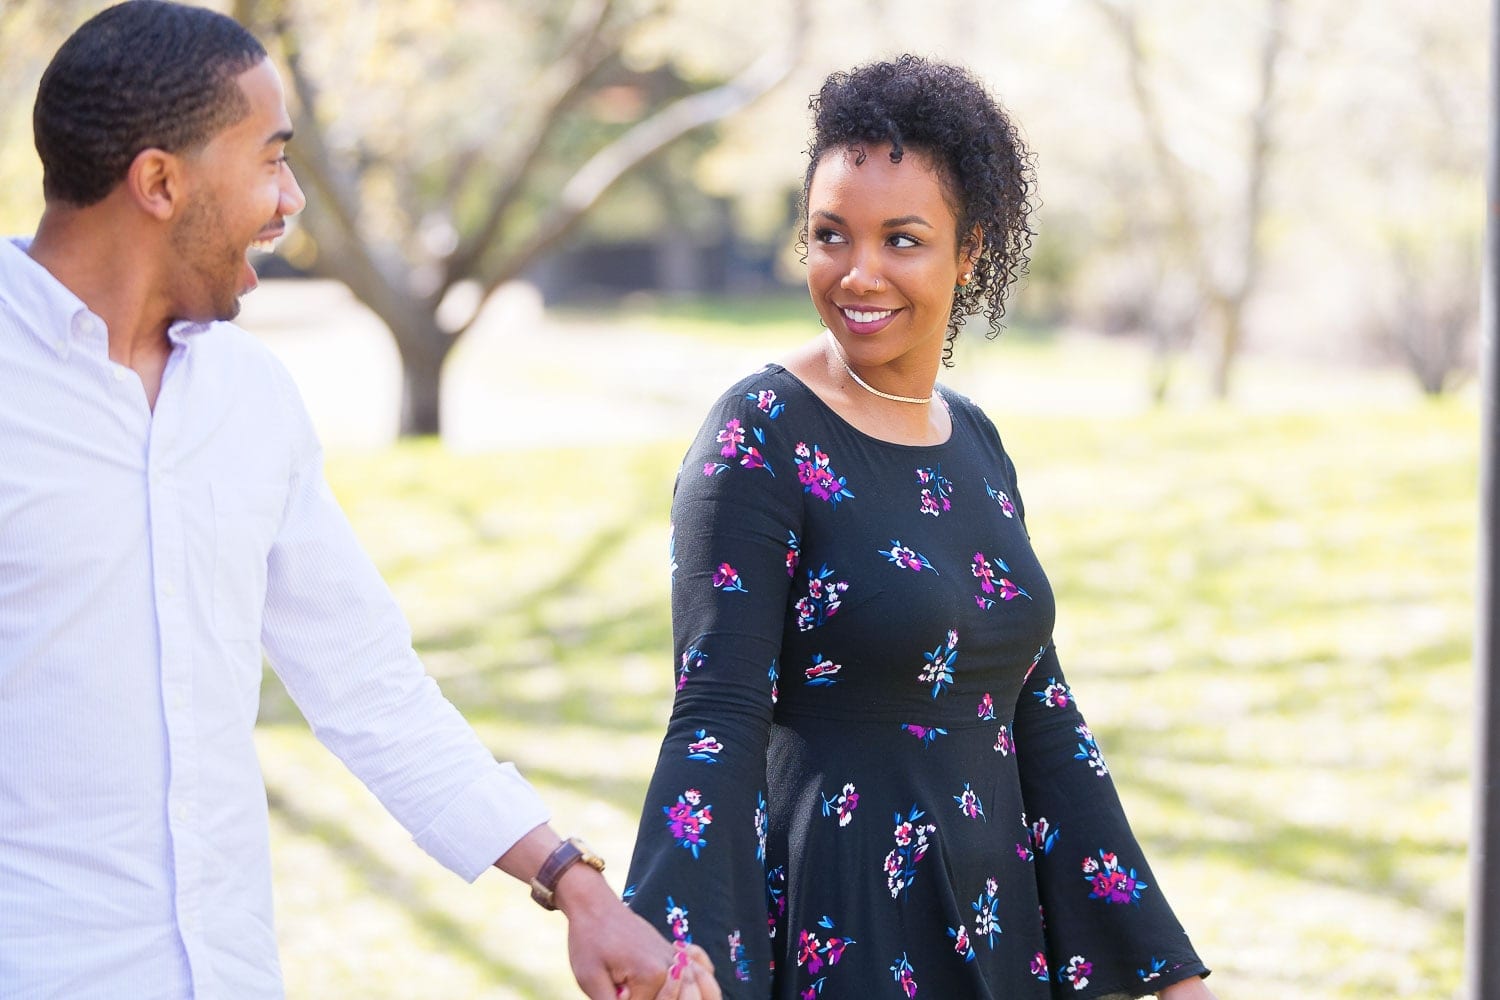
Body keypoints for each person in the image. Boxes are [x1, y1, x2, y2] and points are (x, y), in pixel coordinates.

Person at [0, 3, 718, 999]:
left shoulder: (249, 402)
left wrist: (575, 885)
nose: (290, 199)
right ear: (161, 182)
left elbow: (367, 685)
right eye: (270, 159)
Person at [623, 55, 1218, 999]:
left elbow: (1039, 711)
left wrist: (1162, 969)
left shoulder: (973, 437)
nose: (858, 273)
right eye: (829, 235)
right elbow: (715, 718)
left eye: (902, 238)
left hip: (994, 925)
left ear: (967, 249)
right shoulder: (760, 434)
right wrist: (673, 948)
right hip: (845, 928)